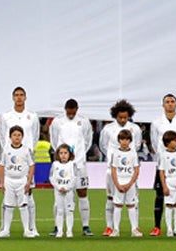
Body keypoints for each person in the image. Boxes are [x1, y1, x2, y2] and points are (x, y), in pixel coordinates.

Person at [0, 87, 40, 235]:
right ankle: (4, 228)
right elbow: (2, 136)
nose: (19, 98)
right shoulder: (6, 116)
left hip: (25, 158)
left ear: (25, 97)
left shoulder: (32, 116)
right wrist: (9, 152)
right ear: (12, 97)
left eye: (21, 95)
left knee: (29, 193)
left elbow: (35, 136)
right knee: (7, 196)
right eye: (16, 95)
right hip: (10, 158)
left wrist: (26, 151)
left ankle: (31, 227)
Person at [48, 98, 94, 236]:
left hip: (79, 164)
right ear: (65, 109)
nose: (71, 114)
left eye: (73, 112)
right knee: (59, 194)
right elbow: (54, 140)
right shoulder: (57, 122)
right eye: (69, 112)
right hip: (62, 165)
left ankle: (85, 226)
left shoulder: (84, 122)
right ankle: (58, 226)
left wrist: (78, 157)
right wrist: (63, 158)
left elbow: (87, 141)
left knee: (82, 193)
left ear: (77, 109)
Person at [149, 94, 176, 236]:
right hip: (164, 162)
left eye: (172, 102)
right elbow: (155, 142)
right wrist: (162, 155)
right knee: (161, 194)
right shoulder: (156, 123)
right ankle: (157, 227)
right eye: (167, 102)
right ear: (163, 105)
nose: (170, 104)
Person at [98, 99, 142, 236]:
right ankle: (110, 227)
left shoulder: (135, 129)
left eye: (125, 117)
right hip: (113, 169)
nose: (123, 120)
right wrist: (113, 157)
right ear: (115, 116)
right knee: (111, 198)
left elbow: (138, 145)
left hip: (129, 169)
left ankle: (135, 227)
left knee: (133, 199)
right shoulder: (108, 129)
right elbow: (103, 146)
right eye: (120, 117)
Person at [0, 126, 35, 238]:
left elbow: (32, 166)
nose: (17, 137)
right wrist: (2, 182)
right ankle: (6, 230)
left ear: (22, 137)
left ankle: (26, 230)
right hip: (9, 180)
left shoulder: (26, 150)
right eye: (14, 135)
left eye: (19, 135)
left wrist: (29, 182)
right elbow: (1, 166)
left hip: (22, 180)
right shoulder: (6, 150)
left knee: (23, 205)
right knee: (8, 205)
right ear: (10, 137)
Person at [108, 129, 142, 237]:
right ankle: (116, 229)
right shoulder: (115, 153)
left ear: (130, 141)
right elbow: (113, 170)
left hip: (130, 183)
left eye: (127, 139)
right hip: (119, 182)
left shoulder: (133, 153)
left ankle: (134, 229)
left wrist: (130, 183)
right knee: (117, 205)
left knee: (131, 205)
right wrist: (117, 184)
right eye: (122, 139)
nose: (124, 142)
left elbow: (136, 170)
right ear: (119, 140)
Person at [158, 130, 176, 237]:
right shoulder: (164, 155)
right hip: (169, 181)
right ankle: (169, 229)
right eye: (175, 140)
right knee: (169, 204)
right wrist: (164, 186)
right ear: (168, 142)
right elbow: (161, 171)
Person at [49, 144, 78, 238]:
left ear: (70, 154)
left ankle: (69, 231)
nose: (63, 155)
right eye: (61, 153)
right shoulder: (55, 164)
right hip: (58, 191)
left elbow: (74, 178)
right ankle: (60, 231)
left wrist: (67, 187)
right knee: (59, 210)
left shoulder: (72, 164)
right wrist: (58, 187)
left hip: (68, 191)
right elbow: (51, 177)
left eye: (65, 153)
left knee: (69, 210)